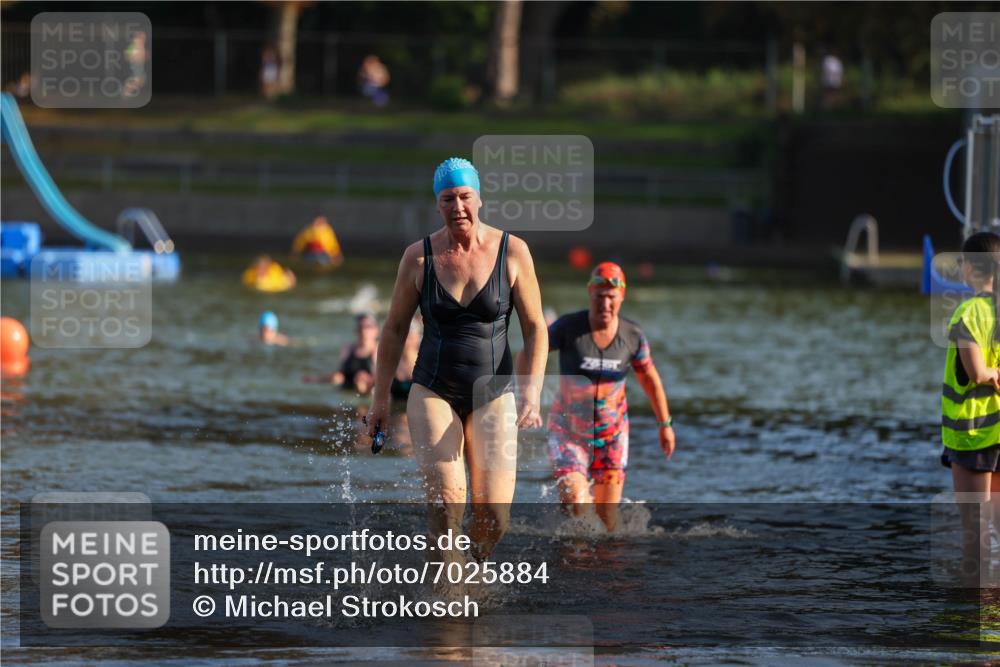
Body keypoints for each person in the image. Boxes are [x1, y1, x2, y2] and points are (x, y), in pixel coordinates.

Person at [367, 157, 547, 562]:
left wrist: (532, 391)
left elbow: (535, 327)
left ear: (480, 199)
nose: (458, 207)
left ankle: (470, 571)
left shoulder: (513, 252)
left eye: (465, 197)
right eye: (448, 199)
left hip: (495, 392)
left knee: (495, 517)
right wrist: (380, 400)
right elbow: (394, 329)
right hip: (433, 389)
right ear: (437, 205)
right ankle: (447, 591)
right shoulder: (418, 258)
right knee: (449, 502)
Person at [546, 262, 675, 532]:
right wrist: (527, 392)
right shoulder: (568, 327)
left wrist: (665, 425)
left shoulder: (633, 336)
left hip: (612, 435)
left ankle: (604, 570)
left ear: (622, 297)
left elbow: (650, 379)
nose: (605, 303)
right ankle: (573, 562)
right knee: (576, 502)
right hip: (569, 430)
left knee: (608, 522)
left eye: (611, 298)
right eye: (599, 296)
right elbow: (531, 351)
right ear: (590, 293)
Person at [940, 232, 1000, 582]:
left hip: (973, 434)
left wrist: (991, 372)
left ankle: (976, 603)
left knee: (974, 528)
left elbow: (977, 372)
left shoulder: (969, 312)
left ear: (969, 268)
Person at [305, 313, 380, 395]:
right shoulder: (348, 349)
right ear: (355, 331)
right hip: (347, 389)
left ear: (377, 331)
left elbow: (386, 379)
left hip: (369, 392)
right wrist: (317, 379)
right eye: (360, 327)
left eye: (367, 327)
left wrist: (368, 380)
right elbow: (338, 374)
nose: (363, 331)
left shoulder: (379, 351)